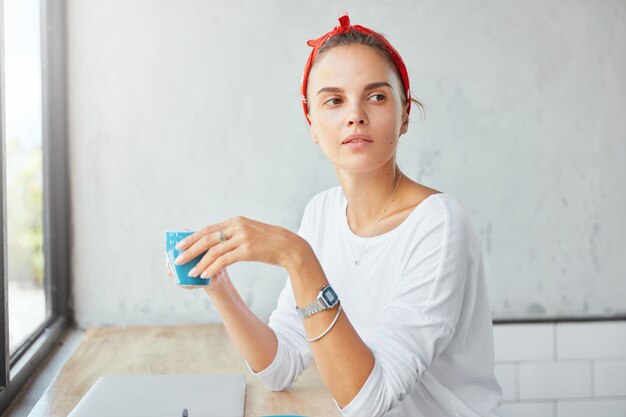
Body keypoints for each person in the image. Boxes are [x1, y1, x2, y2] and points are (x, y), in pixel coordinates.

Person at [166, 13, 503, 417]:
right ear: (312, 122)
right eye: (334, 100)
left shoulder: (438, 224)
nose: (355, 115)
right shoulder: (322, 211)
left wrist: (296, 256)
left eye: (376, 96)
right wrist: (219, 285)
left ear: (405, 113)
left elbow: (369, 400)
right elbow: (281, 365)